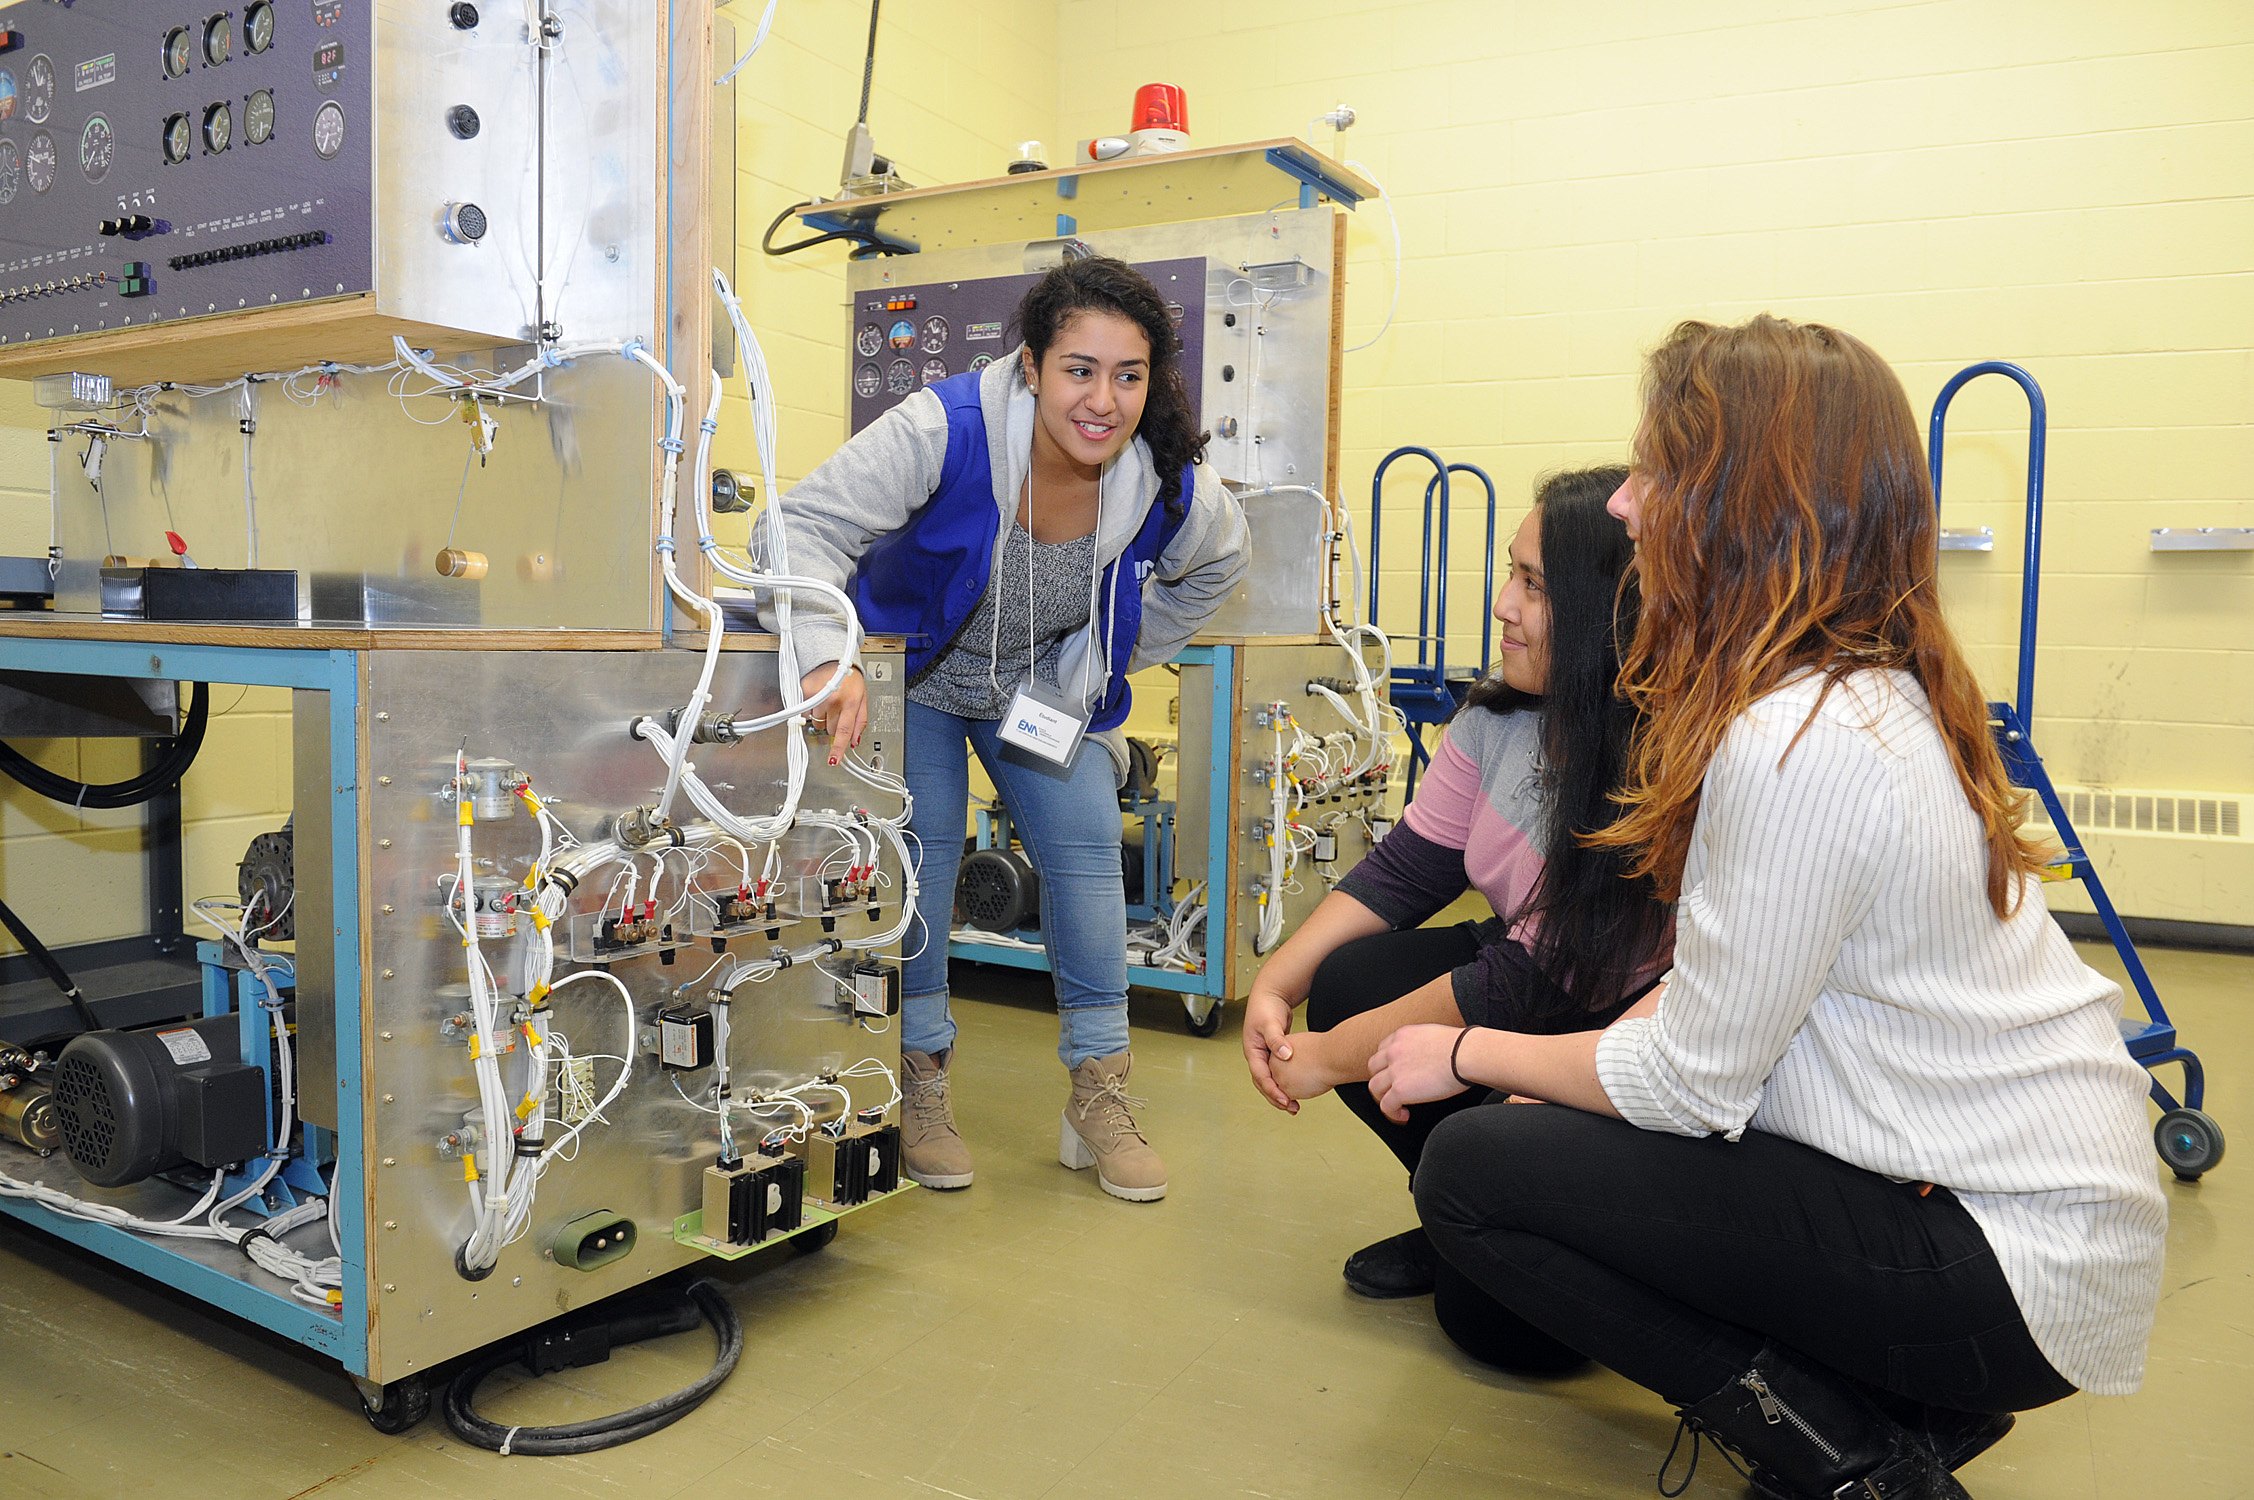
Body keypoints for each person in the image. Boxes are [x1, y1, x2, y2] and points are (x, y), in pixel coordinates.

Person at [1376, 315, 2168, 1500]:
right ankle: (1900, 1400)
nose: (1630, 508)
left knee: (1475, 1170)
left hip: (2004, 1256)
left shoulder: (1795, 739)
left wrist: (1465, 1049)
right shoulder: (1851, 692)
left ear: (1743, 504)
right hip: (2012, 1215)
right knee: (1553, 1124)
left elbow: (1693, 1084)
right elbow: (1712, 1019)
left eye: (1655, 473)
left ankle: (1844, 1461)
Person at [761, 255, 1248, 1203]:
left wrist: (1115, 650)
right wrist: (829, 654)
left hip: (1040, 687)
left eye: (1129, 375)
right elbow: (796, 527)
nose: (1103, 400)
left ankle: (1098, 1090)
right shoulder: (947, 429)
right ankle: (921, 1078)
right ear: (1032, 364)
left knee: (1087, 852)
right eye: (1079, 369)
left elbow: (1220, 564)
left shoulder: (1162, 476)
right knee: (926, 861)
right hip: (924, 677)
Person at [1241, 465, 1673, 1365]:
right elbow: (1402, 874)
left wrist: (1322, 1061)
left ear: (1606, 611)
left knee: (1514, 1344)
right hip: (1531, 973)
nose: (1502, 603)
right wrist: (1275, 979)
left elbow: (1528, 981)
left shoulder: (1662, 751)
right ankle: (1462, 1209)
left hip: (1624, 1022)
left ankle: (1551, 1231)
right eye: (1510, 572)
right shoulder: (1499, 719)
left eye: (1535, 585)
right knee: (1348, 977)